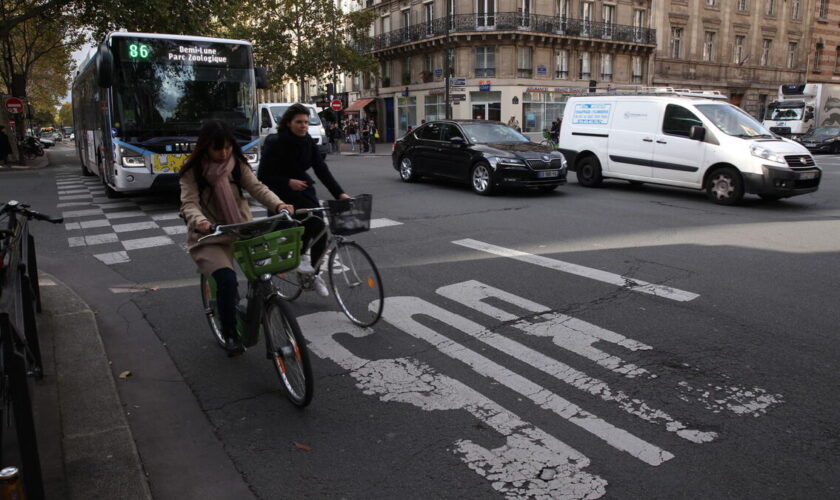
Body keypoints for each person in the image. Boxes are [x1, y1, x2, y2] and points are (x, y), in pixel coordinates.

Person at [180, 120, 294, 355]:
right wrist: (201, 222)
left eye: (228, 147)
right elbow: (189, 203)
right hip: (210, 236)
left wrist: (279, 203)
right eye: (217, 149)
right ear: (205, 148)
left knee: (263, 276)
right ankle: (230, 333)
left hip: (242, 230)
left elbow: (257, 188)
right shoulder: (193, 171)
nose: (224, 153)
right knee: (227, 281)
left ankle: (258, 311)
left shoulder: (237, 165)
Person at [258, 103, 351, 297]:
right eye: (299, 122)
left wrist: (339, 194)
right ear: (289, 123)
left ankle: (313, 275)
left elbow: (321, 170)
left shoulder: (307, 141)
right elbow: (263, 176)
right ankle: (287, 267)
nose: (303, 126)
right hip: (280, 195)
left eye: (306, 122)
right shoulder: (275, 142)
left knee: (319, 231)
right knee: (292, 234)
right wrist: (287, 182)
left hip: (304, 192)